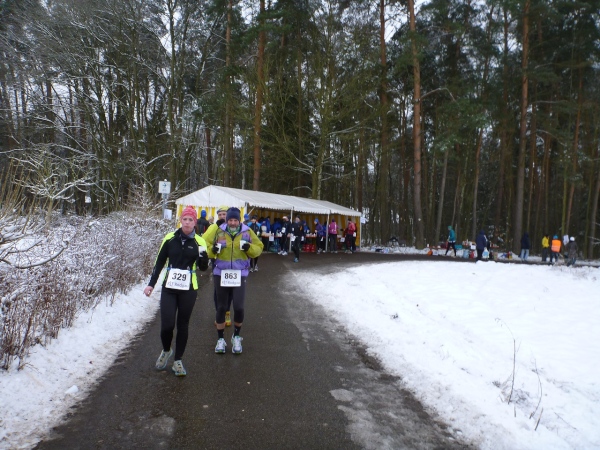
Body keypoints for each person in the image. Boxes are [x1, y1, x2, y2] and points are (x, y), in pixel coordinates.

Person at [143, 206, 209, 376]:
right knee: (167, 325)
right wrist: (151, 284)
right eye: (184, 219)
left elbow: (203, 268)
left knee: (183, 325)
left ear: (195, 222)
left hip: (189, 289)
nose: (187, 223)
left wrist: (204, 260)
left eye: (190, 220)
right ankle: (166, 350)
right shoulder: (170, 238)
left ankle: (178, 360)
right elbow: (159, 262)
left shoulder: (200, 242)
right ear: (180, 220)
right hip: (169, 288)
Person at [205, 207, 263, 354]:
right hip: (221, 273)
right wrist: (213, 250)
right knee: (221, 307)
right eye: (230, 220)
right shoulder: (219, 231)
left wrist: (249, 247)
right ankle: (220, 339)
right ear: (226, 220)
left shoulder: (247, 232)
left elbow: (259, 248)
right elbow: (206, 246)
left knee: (239, 307)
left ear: (239, 220)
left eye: (235, 220)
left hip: (239, 273)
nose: (232, 223)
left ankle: (236, 336)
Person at [202, 205, 234, 327]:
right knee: (218, 289)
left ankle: (227, 312)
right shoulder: (213, 227)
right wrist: (212, 249)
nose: (221, 216)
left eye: (224, 214)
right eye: (219, 214)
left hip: (231, 262)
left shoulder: (234, 227)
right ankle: (219, 314)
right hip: (217, 261)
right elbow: (204, 241)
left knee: (230, 289)